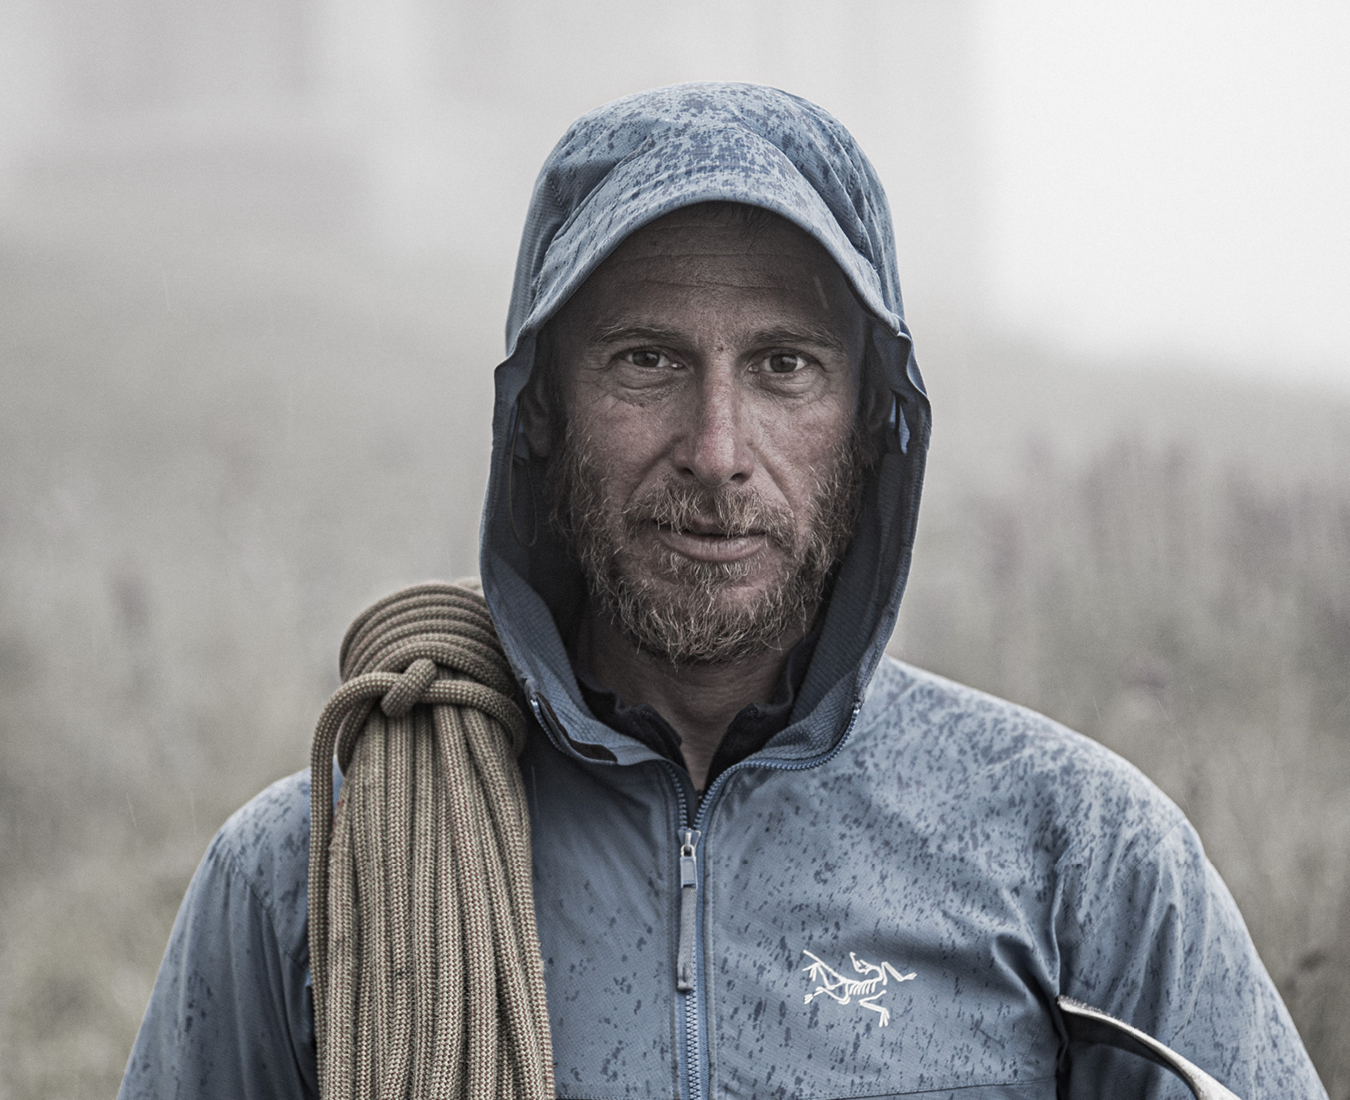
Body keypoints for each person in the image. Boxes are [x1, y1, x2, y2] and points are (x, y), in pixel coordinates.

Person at [119, 83, 1326, 1099]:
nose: (716, 448)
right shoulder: (310, 873)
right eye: (647, 359)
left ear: (871, 425)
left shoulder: (1078, 856)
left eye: (784, 365)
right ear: (538, 409)